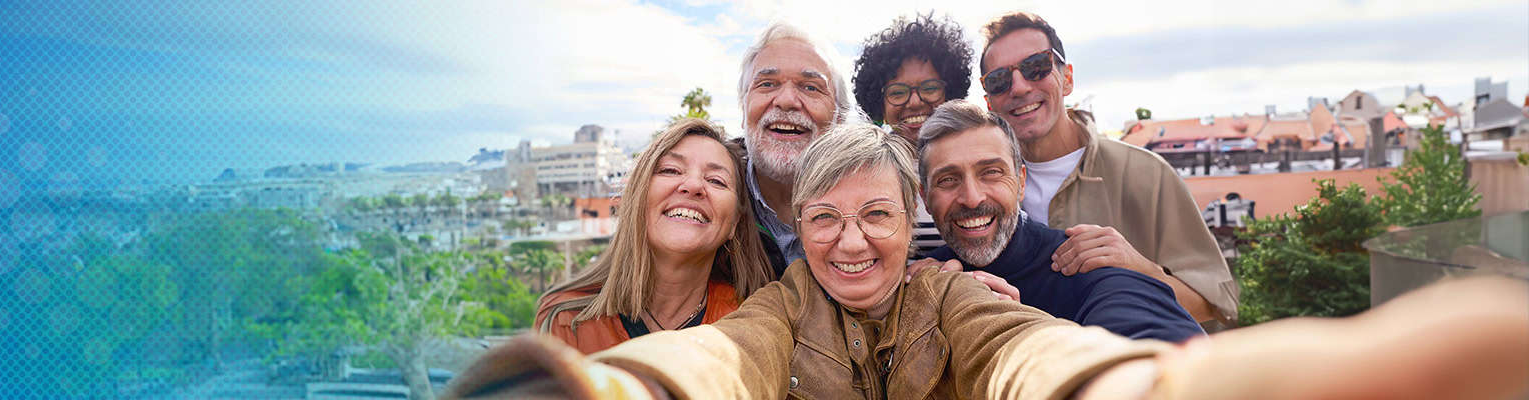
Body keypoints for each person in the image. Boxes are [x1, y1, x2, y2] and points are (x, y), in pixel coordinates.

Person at [445, 120, 1529, 400]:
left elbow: (1032, 353)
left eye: (877, 215)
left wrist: (1151, 382)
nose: (850, 242)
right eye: (823, 219)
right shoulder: (776, 310)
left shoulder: (956, 292)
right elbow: (722, 355)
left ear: (911, 218)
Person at [979, 11, 1238, 327]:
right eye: (999, 80)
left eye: (1036, 67)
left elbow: (1214, 304)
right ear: (989, 101)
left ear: (1067, 78)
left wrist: (1140, 269)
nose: (1018, 87)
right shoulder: (979, 191)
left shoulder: (1144, 174)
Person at [914, 100, 1202, 342]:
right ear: (925, 197)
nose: (972, 198)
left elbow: (1158, 352)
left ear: (1021, 182)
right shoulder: (920, 283)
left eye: (990, 172)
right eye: (948, 179)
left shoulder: (1084, 265)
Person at [533, 118, 775, 354]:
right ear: (638, 199)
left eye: (716, 180)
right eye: (670, 170)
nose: (692, 185)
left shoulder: (749, 326)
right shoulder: (566, 322)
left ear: (734, 223)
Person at [732, 21, 852, 276]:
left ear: (839, 118)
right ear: (743, 110)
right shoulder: (709, 198)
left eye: (810, 87)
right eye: (767, 84)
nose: (786, 101)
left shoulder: (874, 203)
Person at [852, 13, 977, 256]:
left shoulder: (978, 158)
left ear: (949, 92)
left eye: (929, 88)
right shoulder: (862, 168)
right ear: (881, 104)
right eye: (898, 93)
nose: (915, 102)